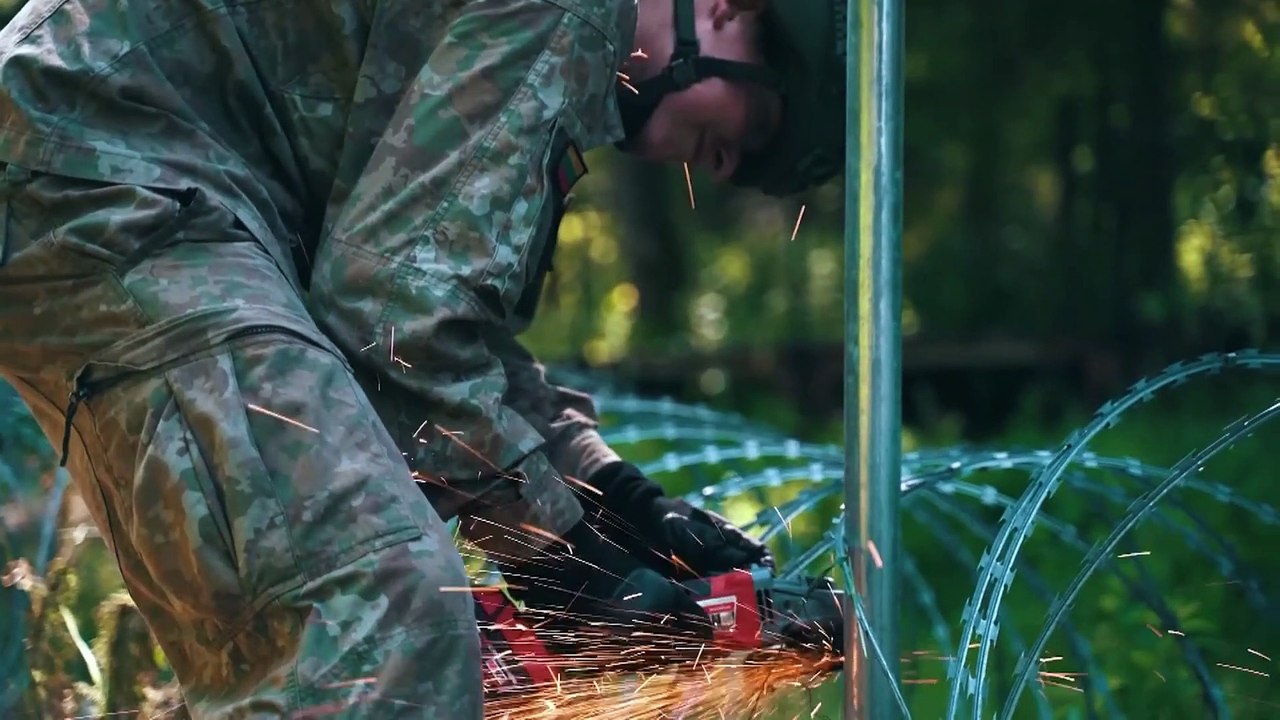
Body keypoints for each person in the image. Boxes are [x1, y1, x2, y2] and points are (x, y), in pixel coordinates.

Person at [0, 0, 845, 716]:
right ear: (729, 6)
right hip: (112, 173)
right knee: (385, 609)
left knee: (321, 640)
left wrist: (614, 499)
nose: (731, 165)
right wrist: (558, 556)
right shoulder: (576, 14)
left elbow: (439, 310)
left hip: (110, 162)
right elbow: (392, 315)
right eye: (759, 125)